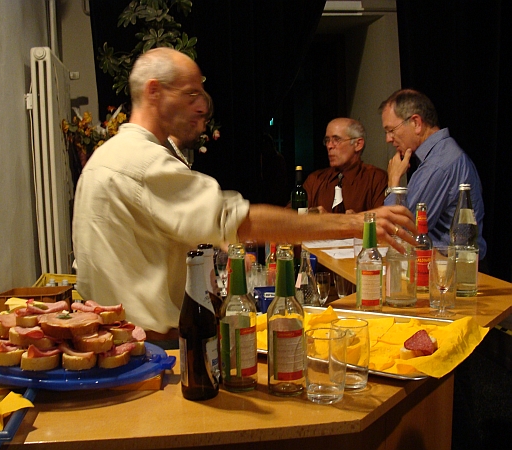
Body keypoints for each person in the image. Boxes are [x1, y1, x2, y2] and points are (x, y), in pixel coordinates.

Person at [72, 48, 415, 344]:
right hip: (151, 347)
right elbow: (241, 220)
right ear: (154, 92)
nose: (200, 108)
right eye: (191, 94)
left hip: (114, 343)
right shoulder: (142, 161)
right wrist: (356, 222)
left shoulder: (108, 156)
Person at [380, 89, 486, 258]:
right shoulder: (440, 155)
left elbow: (401, 231)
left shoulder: (438, 164)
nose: (388, 138)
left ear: (416, 123)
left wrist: (393, 183)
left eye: (391, 130)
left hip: (453, 272)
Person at [300, 118, 388, 213]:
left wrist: (356, 222)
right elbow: (290, 218)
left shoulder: (376, 179)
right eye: (327, 140)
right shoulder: (315, 180)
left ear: (358, 144)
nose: (329, 146)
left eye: (336, 140)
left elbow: (383, 221)